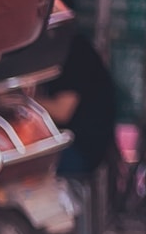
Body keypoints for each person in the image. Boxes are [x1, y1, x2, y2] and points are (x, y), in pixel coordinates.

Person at [39, 30, 119, 180]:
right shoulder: (57, 48)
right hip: (69, 147)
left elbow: (61, 111)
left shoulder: (73, 51)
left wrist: (14, 98)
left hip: (77, 150)